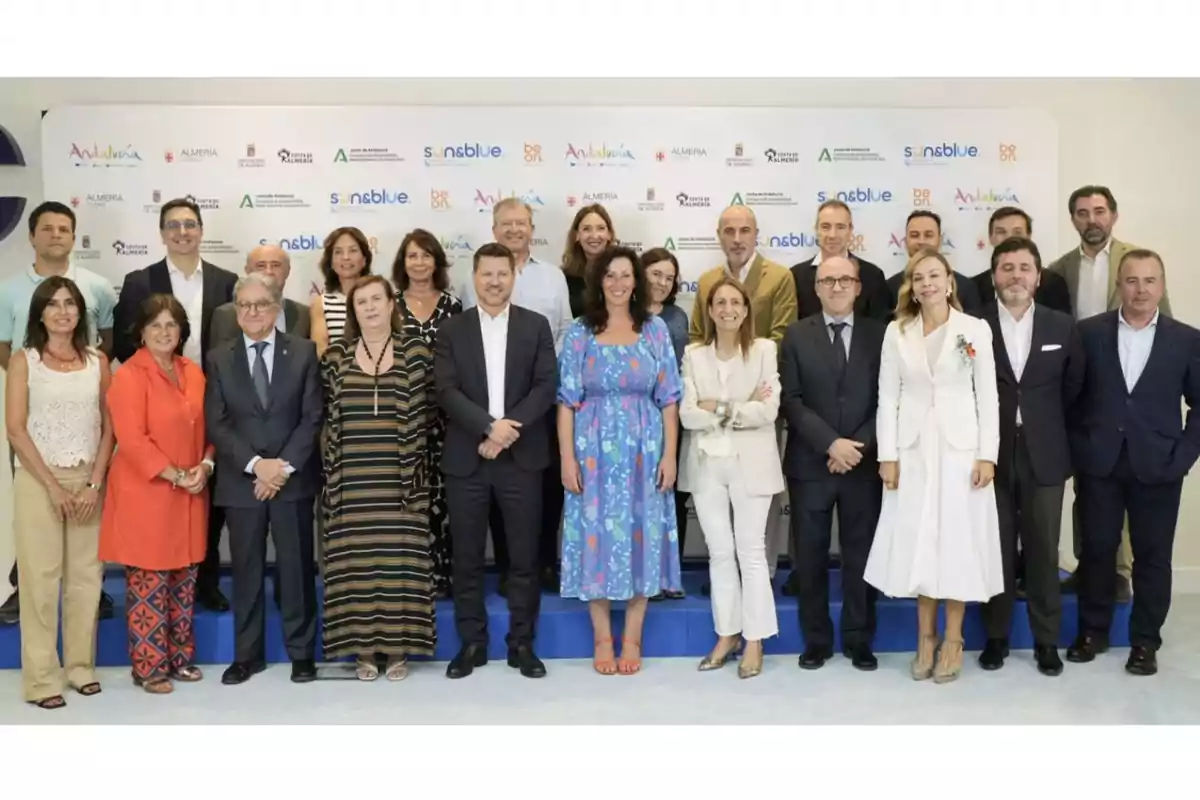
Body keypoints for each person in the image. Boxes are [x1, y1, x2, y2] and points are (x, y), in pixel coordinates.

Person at [865, 248, 1003, 683]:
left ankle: (954, 639)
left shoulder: (974, 329)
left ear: (949, 282)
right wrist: (887, 455)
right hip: (913, 452)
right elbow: (887, 396)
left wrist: (988, 454)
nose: (927, 283)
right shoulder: (897, 331)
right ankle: (925, 638)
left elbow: (989, 396)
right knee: (920, 541)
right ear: (912, 285)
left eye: (934, 275)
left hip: (962, 451)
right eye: (918, 277)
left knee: (957, 542)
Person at [1067, 250, 1199, 677]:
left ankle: (1145, 642)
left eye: (1149, 281)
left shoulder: (1187, 339)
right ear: (1119, 285)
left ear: (1161, 285)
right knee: (1098, 552)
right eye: (1131, 280)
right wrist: (1079, 449)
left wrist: (1183, 456)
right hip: (1100, 465)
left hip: (1158, 467)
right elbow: (1070, 398)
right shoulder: (1088, 333)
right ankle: (1093, 633)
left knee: (1152, 559)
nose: (1140, 290)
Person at [558, 245, 683, 675]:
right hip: (590, 454)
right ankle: (601, 638)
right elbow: (565, 402)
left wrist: (670, 454)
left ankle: (632, 637)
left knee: (641, 536)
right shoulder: (578, 332)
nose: (617, 283)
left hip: (644, 453)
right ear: (598, 282)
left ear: (637, 281)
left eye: (625, 275)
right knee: (594, 538)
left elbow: (669, 400)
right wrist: (566, 459)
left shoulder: (654, 331)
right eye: (609, 275)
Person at [435, 243, 557, 679]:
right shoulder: (452, 330)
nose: (494, 282)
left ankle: (522, 644)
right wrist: (489, 427)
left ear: (513, 276)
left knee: (523, 559)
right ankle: (472, 644)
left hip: (521, 461)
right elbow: (446, 391)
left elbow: (545, 387)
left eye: (502, 274)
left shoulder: (536, 326)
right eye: (486, 274)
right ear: (475, 276)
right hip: (467, 460)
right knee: (466, 559)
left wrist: (507, 431)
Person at [112, 197, 238, 613]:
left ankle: (205, 579)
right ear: (163, 233)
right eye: (173, 225)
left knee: (208, 494)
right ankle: (159, 587)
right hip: (157, 397)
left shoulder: (227, 281)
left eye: (190, 224)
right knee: (163, 500)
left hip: (210, 397)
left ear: (201, 230)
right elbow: (124, 343)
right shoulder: (139, 281)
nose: (182, 232)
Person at [0, 201, 117, 625]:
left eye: (64, 229)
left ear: (73, 236)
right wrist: (36, 380)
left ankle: (90, 612)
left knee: (86, 558)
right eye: (46, 228)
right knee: (38, 543)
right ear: (31, 236)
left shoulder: (97, 286)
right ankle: (21, 588)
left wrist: (74, 381)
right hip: (35, 421)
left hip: (84, 428)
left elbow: (107, 341)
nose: (55, 235)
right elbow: (4, 348)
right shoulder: (9, 289)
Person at [204, 274, 323, 686]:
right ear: (236, 311)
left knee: (296, 570)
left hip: (292, 481)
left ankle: (302, 654)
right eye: (244, 305)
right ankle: (246, 655)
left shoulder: (304, 352)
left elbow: (312, 417)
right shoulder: (219, 357)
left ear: (276, 308)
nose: (252, 312)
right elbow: (217, 424)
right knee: (246, 572)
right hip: (243, 482)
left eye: (260, 304)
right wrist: (257, 465)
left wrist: (281, 467)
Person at [320, 274, 436, 681]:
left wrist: (423, 478)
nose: (369, 307)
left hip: (402, 483)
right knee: (359, 567)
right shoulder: (335, 357)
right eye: (361, 302)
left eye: (376, 299)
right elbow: (325, 422)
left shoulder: (418, 352)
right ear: (353, 311)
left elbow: (433, 418)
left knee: (397, 565)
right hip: (352, 482)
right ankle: (364, 652)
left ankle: (399, 648)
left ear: (392, 305)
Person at [5, 277, 113, 709]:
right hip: (37, 480)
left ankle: (80, 668)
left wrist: (94, 483)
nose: (63, 311)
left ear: (81, 312)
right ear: (40, 314)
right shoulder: (23, 361)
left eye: (70, 303)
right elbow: (15, 429)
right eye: (53, 305)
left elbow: (109, 427)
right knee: (41, 580)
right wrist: (51, 486)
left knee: (87, 579)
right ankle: (41, 679)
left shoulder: (97, 361)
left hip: (88, 480)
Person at [977, 237, 1084, 676]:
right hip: (990, 455)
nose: (1015, 275)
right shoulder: (974, 325)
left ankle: (1046, 641)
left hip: (1046, 453)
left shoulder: (1063, 327)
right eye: (1007, 267)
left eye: (1024, 267)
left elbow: (1074, 391)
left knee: (1043, 550)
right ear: (994, 277)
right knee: (995, 548)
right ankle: (996, 638)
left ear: (1038, 276)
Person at [99, 294, 214, 694]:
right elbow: (132, 441)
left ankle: (180, 658)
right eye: (156, 326)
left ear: (181, 331)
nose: (165, 333)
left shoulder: (194, 372)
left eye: (172, 325)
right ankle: (148, 667)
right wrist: (177, 475)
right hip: (146, 495)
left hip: (190, 492)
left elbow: (210, 429)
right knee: (149, 584)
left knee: (184, 580)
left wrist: (204, 467)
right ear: (141, 333)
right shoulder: (129, 376)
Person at [461, 198, 573, 595]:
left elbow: (562, 332)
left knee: (540, 490)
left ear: (531, 228)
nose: (514, 229)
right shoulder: (470, 278)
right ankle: (508, 568)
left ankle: (542, 564)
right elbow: (467, 341)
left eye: (521, 223)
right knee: (494, 496)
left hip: (537, 403)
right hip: (486, 409)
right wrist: (493, 420)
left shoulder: (554, 277)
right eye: (506, 223)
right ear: (494, 230)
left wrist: (539, 387)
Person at [780, 255, 886, 671]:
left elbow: (890, 399)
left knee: (862, 556)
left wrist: (855, 445)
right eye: (828, 280)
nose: (837, 287)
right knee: (810, 556)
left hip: (863, 465)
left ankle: (859, 638)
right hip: (811, 463)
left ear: (859, 287)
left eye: (845, 280)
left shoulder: (883, 336)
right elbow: (791, 400)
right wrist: (830, 444)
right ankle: (817, 640)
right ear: (816, 288)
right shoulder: (795, 335)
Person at [1048, 185, 1155, 598]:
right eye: (1081, 213)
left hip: (1126, 386)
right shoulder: (1059, 269)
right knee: (1085, 482)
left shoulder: (1138, 264)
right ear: (1072, 219)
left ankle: (1120, 571)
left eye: (1098, 211)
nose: (1091, 220)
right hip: (1078, 386)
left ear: (1113, 214)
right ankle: (1087, 564)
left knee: (1124, 477)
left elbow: (1162, 325)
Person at [678, 276, 781, 679]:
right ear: (709, 310)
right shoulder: (693, 355)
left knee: (751, 552)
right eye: (719, 303)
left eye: (734, 302)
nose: (727, 309)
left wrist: (717, 407)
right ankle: (728, 633)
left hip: (751, 464)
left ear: (745, 308)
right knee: (719, 553)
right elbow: (688, 414)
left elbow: (768, 411)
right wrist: (739, 407)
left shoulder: (763, 351)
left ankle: (755, 640)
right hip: (707, 465)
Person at [690, 204, 797, 591]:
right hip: (715, 406)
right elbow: (698, 337)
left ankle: (759, 573)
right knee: (716, 491)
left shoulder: (779, 277)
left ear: (756, 234)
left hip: (760, 398)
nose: (737, 238)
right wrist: (717, 394)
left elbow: (784, 333)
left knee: (758, 488)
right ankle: (725, 576)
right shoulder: (706, 282)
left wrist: (753, 385)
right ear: (719, 235)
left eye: (744, 230)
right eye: (729, 231)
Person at [394, 228, 462, 599]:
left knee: (441, 498)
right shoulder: (389, 304)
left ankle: (441, 575)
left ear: (436, 261)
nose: (418, 262)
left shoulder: (452, 306)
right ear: (402, 263)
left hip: (445, 419)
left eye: (425, 255)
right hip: (400, 416)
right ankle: (410, 578)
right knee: (406, 498)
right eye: (411, 256)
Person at [643, 247, 690, 599]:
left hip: (670, 414)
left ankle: (669, 575)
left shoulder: (677, 317)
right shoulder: (621, 313)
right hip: (633, 419)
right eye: (655, 273)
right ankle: (642, 573)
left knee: (670, 495)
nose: (661, 282)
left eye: (668, 277)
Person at [791, 199, 891, 322]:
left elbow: (879, 330)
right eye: (825, 227)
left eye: (840, 227)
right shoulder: (795, 276)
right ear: (816, 230)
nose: (832, 235)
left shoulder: (872, 276)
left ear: (850, 231)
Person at [971, 207, 1072, 314]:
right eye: (1001, 232)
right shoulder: (974, 287)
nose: (1009, 237)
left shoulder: (1053, 284)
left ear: (1029, 236)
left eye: (1017, 232)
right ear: (991, 237)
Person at [209, 244, 311, 345]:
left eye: (276, 265)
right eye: (261, 266)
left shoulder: (304, 314)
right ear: (247, 270)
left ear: (288, 270)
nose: (269, 271)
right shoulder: (225, 315)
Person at [888, 210, 982, 315]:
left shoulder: (966, 287)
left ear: (940, 240)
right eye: (915, 235)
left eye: (928, 235)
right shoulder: (889, 288)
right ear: (906, 242)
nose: (921, 241)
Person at [310, 226, 373, 357]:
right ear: (331, 262)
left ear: (364, 259)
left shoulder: (379, 298)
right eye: (338, 252)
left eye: (353, 251)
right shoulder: (322, 303)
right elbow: (320, 351)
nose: (346, 257)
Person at [561, 203, 616, 318]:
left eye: (600, 228)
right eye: (587, 229)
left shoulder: (622, 273)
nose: (594, 235)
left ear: (609, 234)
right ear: (576, 235)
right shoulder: (563, 278)